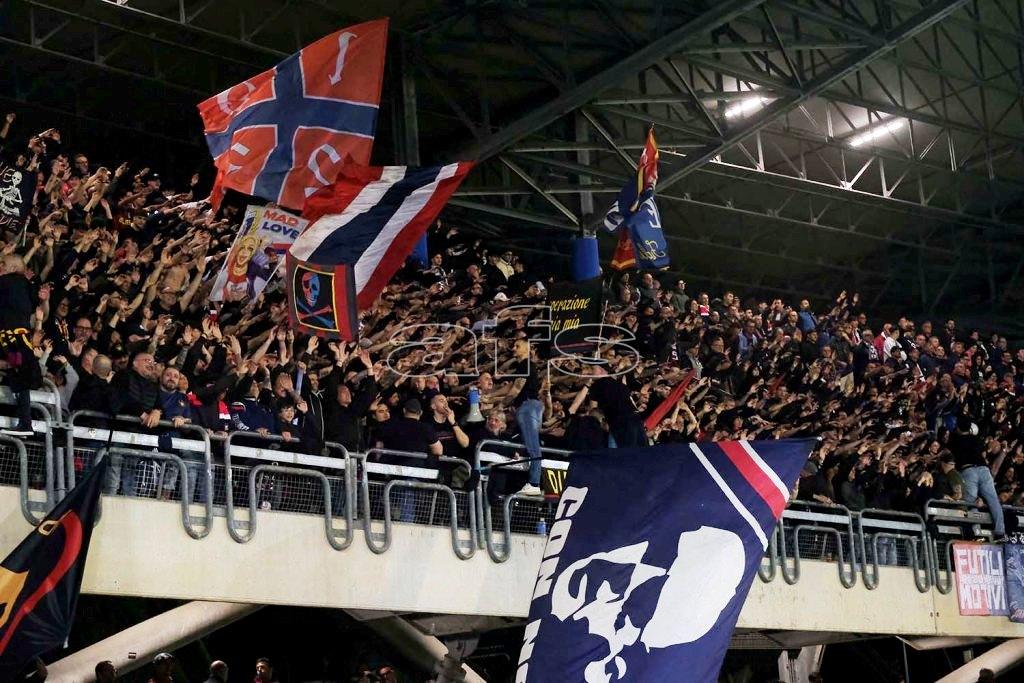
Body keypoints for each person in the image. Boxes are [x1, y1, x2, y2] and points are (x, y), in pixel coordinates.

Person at [0, 255, 40, 436]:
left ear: (13, 268)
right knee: (20, 375)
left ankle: (25, 423)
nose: (0, 266)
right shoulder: (27, 286)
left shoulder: (7, 281)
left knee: (19, 372)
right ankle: (25, 422)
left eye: (3, 264)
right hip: (20, 340)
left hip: (11, 339)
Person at [950, 414, 1007, 542]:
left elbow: (949, 457)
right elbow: (984, 454)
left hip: (968, 471)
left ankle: (976, 533)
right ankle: (1000, 533)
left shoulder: (954, 440)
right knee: (993, 501)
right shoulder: (976, 439)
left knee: (971, 502)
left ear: (958, 427)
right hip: (983, 469)